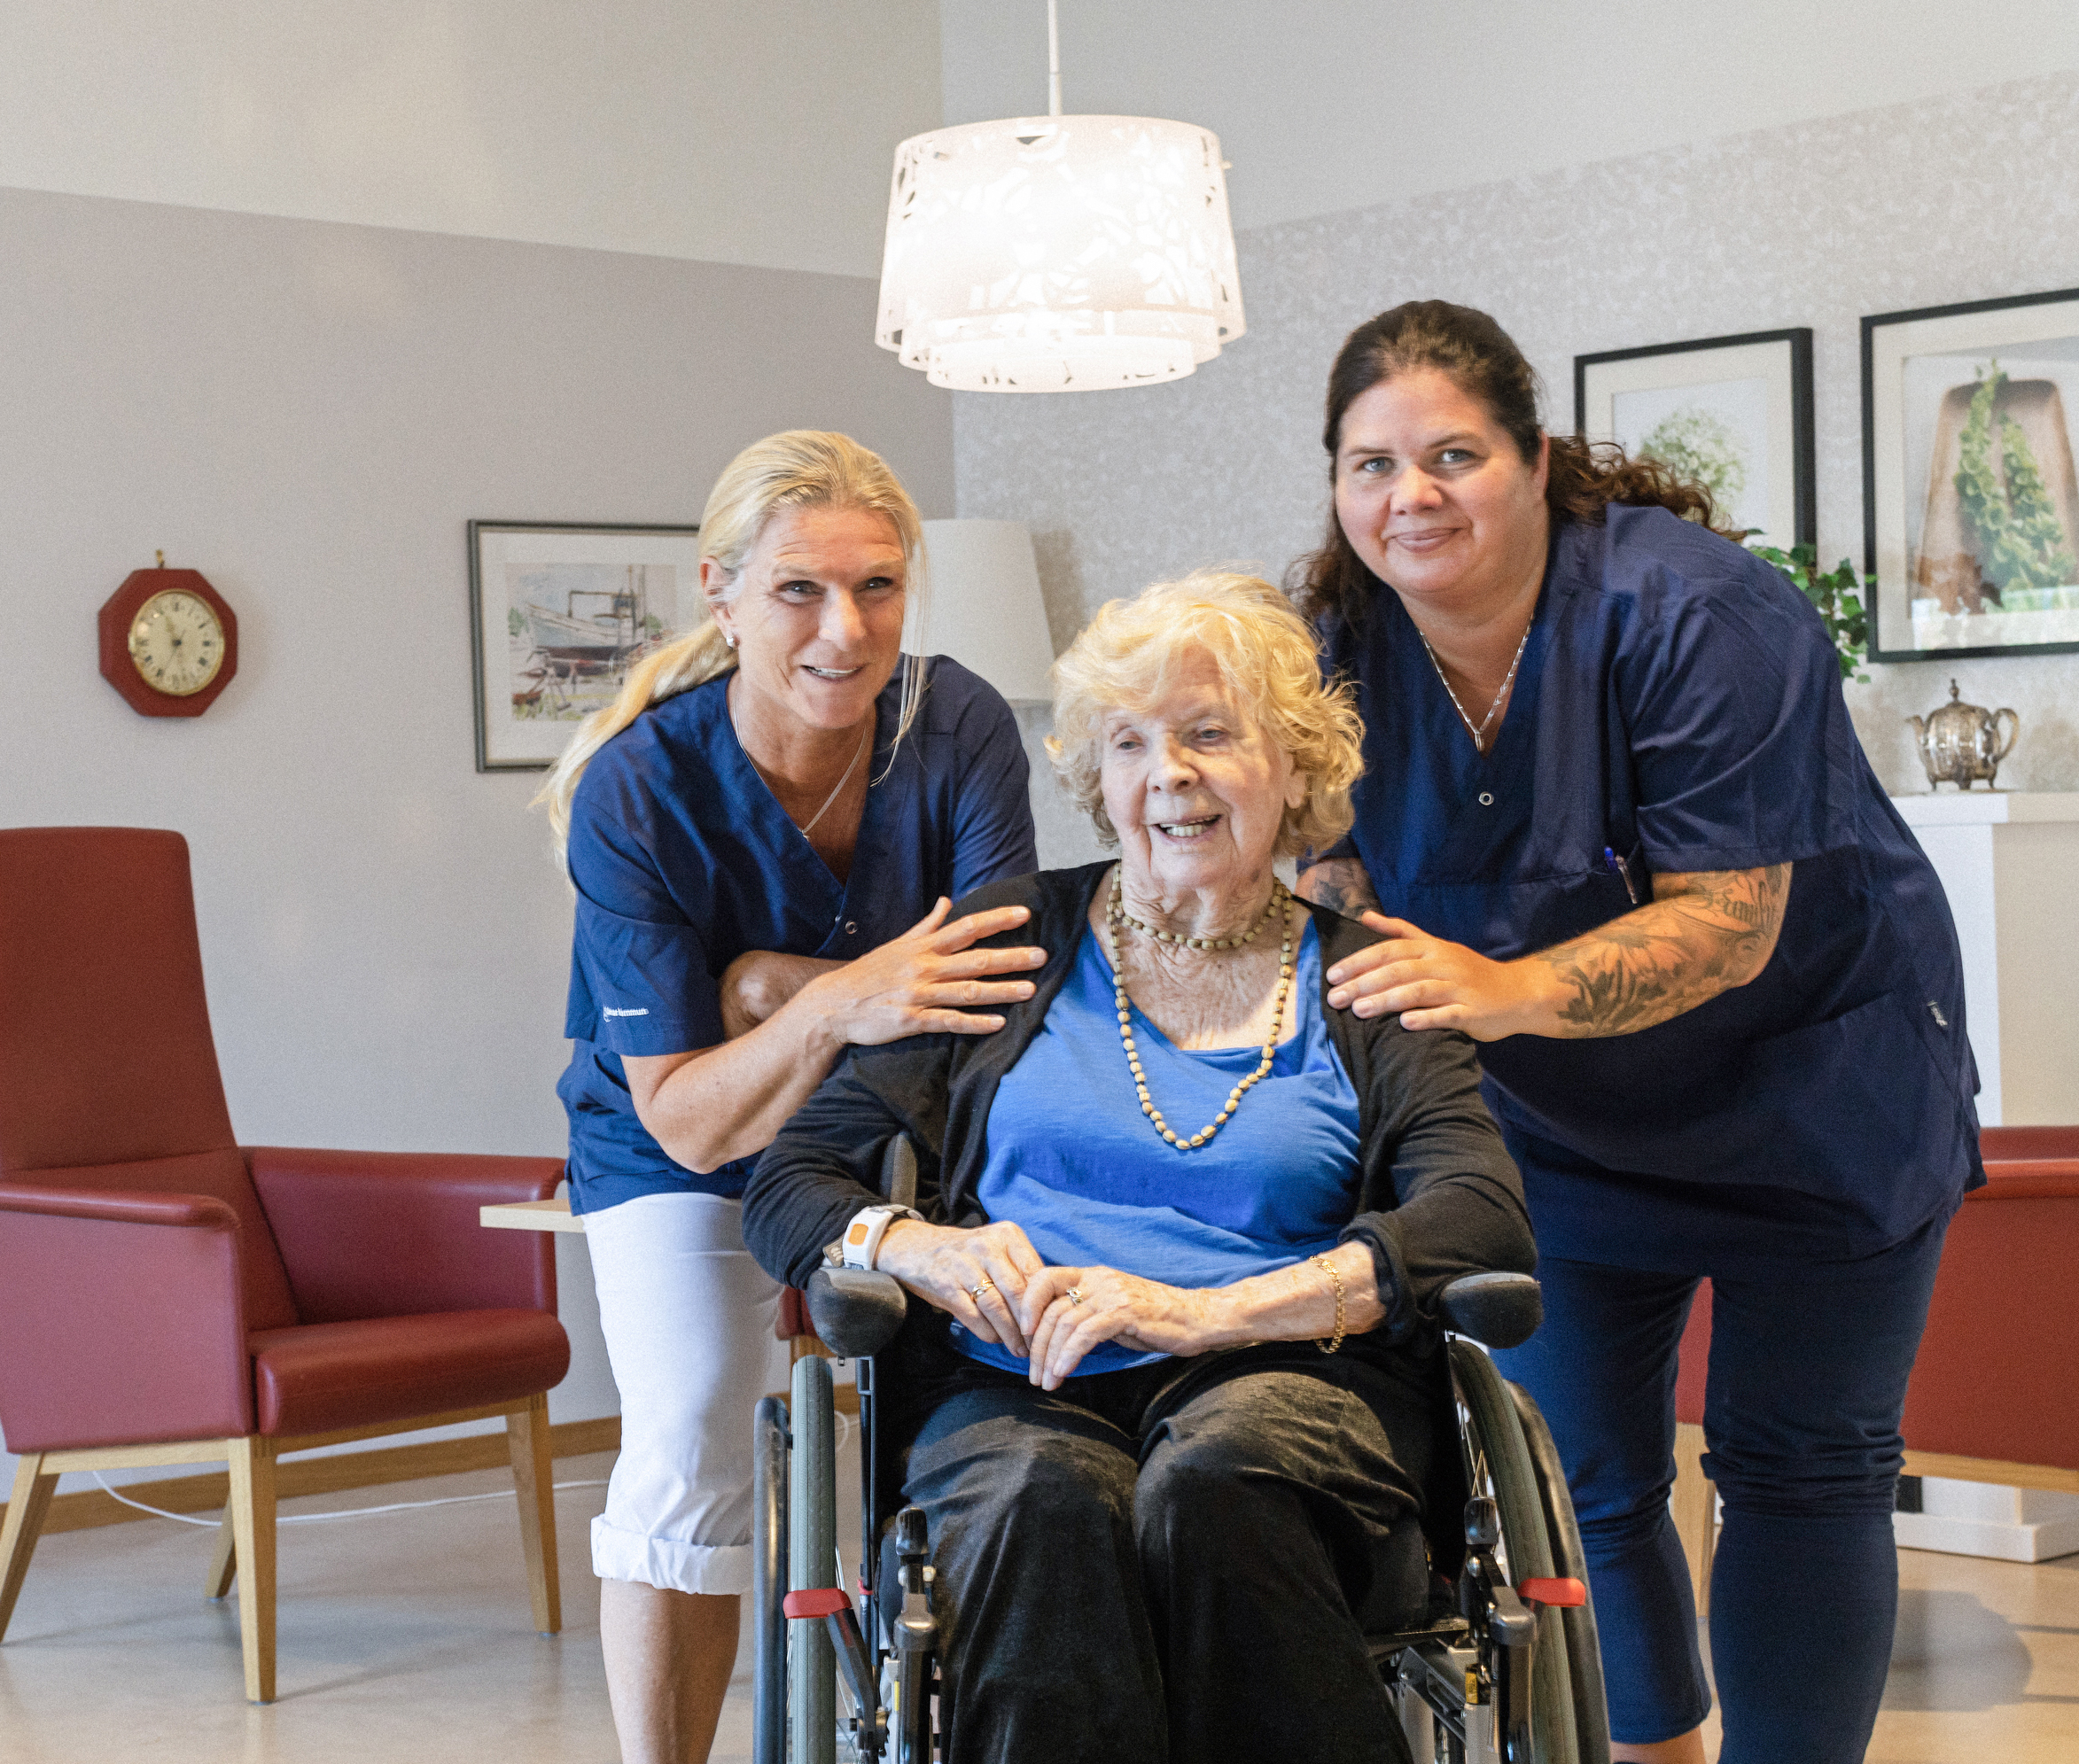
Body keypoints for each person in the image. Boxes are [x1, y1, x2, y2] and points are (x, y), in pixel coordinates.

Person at [1294, 301, 1979, 1764]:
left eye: (1453, 454)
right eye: (1371, 464)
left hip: (1819, 1091)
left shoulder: (1699, 613)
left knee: (1801, 1468)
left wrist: (1498, 989)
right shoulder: (1338, 648)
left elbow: (1729, 920)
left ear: (1535, 460)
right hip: (1561, 1126)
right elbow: (1331, 874)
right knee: (1581, 1476)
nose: (1411, 496)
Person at [745, 571, 1536, 1764]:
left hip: (1293, 1381)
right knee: (1040, 1498)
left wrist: (1204, 1312)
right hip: (1013, 1383)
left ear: (1294, 766)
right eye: (1130, 742)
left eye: (1210, 733)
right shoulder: (1008, 948)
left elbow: (1476, 1215)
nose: (1169, 773)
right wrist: (921, 1247)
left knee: (1219, 1478)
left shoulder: (1366, 982)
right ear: (1098, 779)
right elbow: (795, 1177)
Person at [534, 430, 1044, 1764]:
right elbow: (689, 1114)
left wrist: (764, 988)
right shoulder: (638, 788)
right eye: (799, 591)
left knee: (985, 1397)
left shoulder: (955, 722)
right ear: (720, 591)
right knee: (694, 1422)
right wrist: (840, 1001)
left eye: (877, 587)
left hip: (897, 1121)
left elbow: (989, 997)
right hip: (671, 1148)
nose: (845, 629)